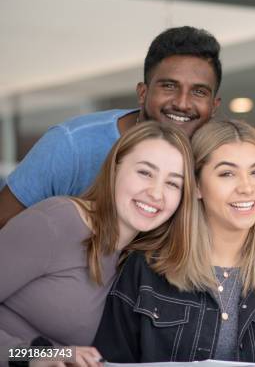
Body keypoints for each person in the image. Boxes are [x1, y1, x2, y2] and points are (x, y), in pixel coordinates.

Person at [0, 121, 194, 367]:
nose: (156, 193)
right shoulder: (56, 222)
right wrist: (31, 355)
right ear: (114, 168)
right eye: (145, 172)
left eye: (173, 183)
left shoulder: (140, 259)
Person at [93, 120, 255, 363]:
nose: (247, 188)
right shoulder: (144, 268)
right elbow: (109, 360)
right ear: (196, 186)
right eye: (227, 173)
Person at [0, 26, 222, 228]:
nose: (182, 103)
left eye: (199, 92)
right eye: (169, 86)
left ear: (214, 106)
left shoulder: (214, 158)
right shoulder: (74, 143)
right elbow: (4, 221)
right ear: (143, 93)